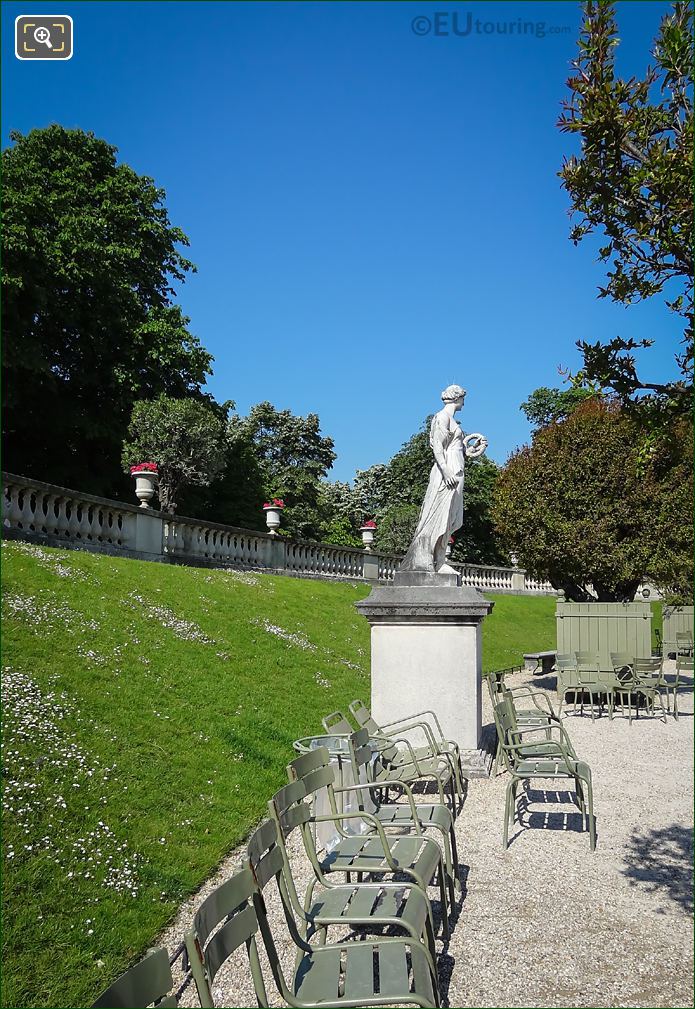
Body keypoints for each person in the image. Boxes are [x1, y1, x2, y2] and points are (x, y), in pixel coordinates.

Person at [400, 384, 487, 574]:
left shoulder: (453, 421)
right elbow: (438, 448)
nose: (464, 401)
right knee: (439, 514)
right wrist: (446, 471)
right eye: (463, 397)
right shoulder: (442, 417)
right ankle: (429, 560)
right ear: (457, 398)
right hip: (447, 471)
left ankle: (440, 561)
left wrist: (472, 450)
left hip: (456, 467)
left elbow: (457, 449)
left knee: (450, 516)